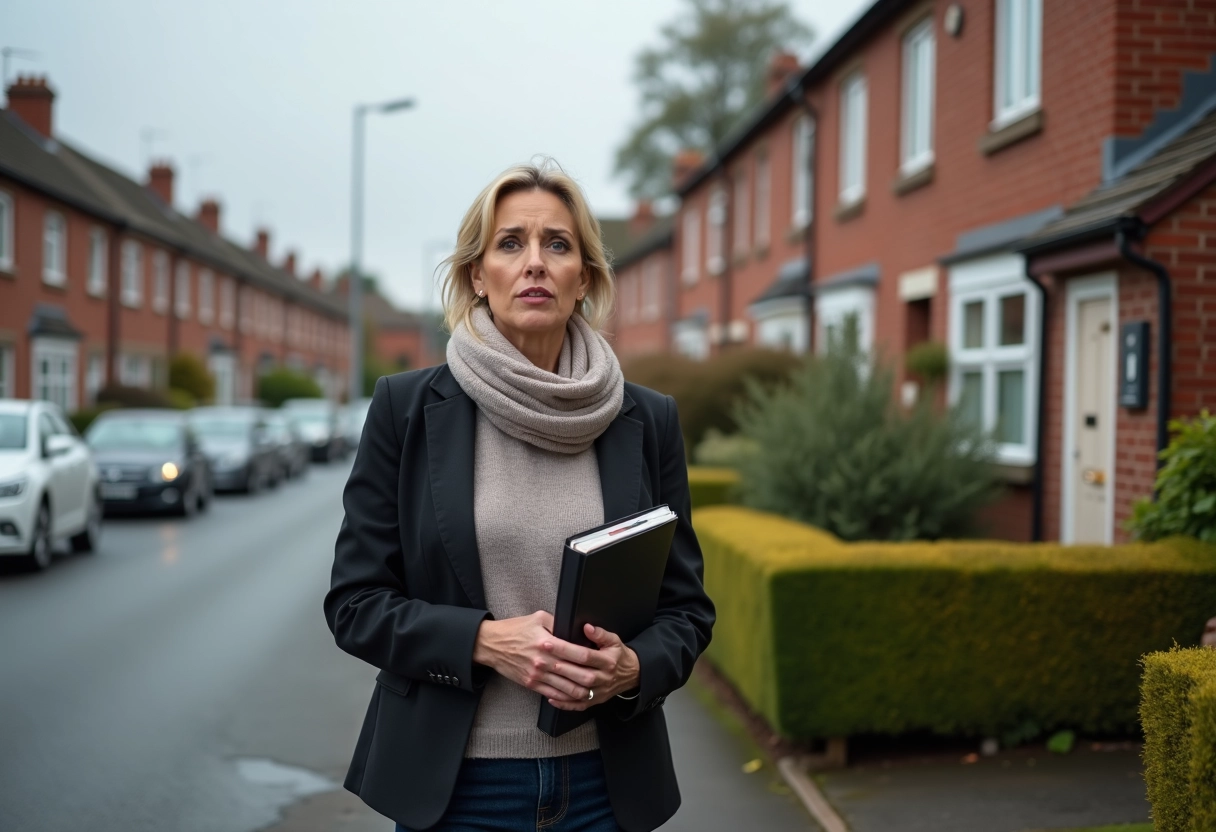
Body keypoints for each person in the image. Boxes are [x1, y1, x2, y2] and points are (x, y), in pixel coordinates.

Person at [324, 161, 715, 832]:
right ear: (478, 274)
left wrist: (631, 668)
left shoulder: (648, 420)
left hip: (605, 786)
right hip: (456, 792)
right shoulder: (405, 409)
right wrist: (483, 641)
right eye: (510, 243)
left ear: (583, 277)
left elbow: (687, 610)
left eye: (557, 244)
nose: (535, 262)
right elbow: (354, 604)